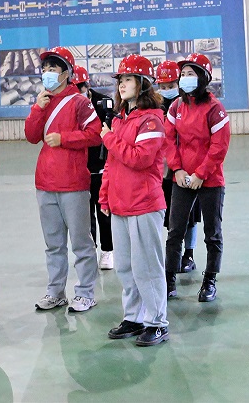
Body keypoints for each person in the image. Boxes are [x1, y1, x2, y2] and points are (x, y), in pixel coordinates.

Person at [24, 47, 102, 313]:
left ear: (66, 73)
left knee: (81, 242)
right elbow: (31, 136)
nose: (47, 73)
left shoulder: (79, 102)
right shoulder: (43, 101)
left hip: (73, 184)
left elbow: (95, 134)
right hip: (45, 184)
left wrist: (65, 139)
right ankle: (56, 292)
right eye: (45, 69)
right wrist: (38, 108)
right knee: (53, 244)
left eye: (53, 69)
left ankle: (86, 292)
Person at [99, 54, 169, 346]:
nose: (122, 84)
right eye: (120, 80)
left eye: (128, 79)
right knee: (126, 267)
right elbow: (112, 163)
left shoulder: (151, 120)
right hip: (120, 205)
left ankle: (157, 322)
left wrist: (109, 138)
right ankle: (134, 317)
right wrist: (105, 195)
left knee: (147, 267)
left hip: (143, 204)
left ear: (142, 84)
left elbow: (140, 159)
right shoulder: (121, 119)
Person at [163, 53, 231, 303]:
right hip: (181, 179)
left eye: (190, 74)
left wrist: (201, 174)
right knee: (175, 231)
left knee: (212, 233)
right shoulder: (176, 107)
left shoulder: (215, 109)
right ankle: (169, 280)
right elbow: (168, 139)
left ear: (203, 78)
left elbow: (219, 146)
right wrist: (177, 169)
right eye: (183, 74)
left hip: (210, 179)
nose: (184, 78)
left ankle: (209, 280)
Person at [156, 60, 199, 274]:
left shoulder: (189, 104)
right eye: (162, 86)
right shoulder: (154, 106)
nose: (166, 90)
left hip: (188, 168)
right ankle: (169, 256)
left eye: (170, 85)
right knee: (168, 218)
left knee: (190, 217)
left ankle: (188, 255)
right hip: (162, 171)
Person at [73, 65, 115, 271]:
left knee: (103, 211)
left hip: (101, 167)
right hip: (79, 168)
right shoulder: (69, 105)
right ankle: (90, 251)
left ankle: (107, 251)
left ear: (87, 85)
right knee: (84, 214)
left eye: (81, 86)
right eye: (74, 87)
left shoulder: (103, 103)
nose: (78, 91)